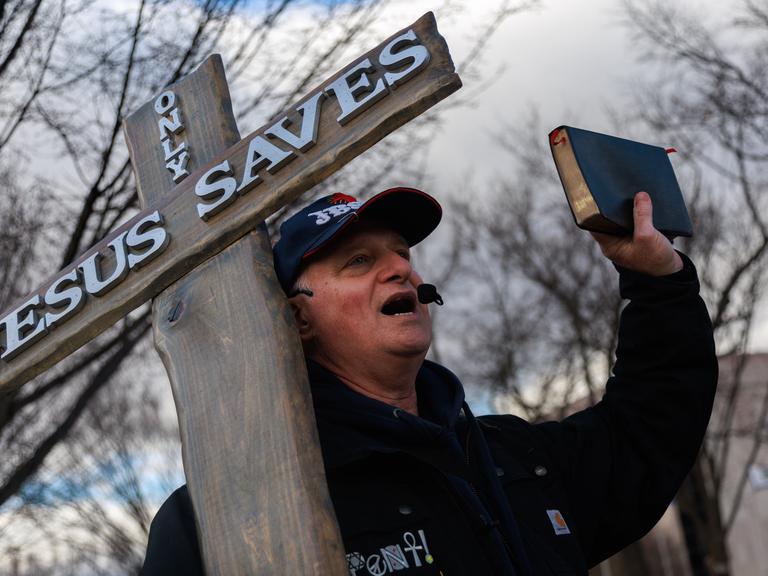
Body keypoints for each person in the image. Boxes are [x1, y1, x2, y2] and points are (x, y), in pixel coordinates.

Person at [141, 187, 717, 575]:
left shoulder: (517, 459)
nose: (401, 268)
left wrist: (658, 281)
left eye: (400, 253)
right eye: (358, 262)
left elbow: (651, 422)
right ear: (297, 318)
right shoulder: (218, 522)